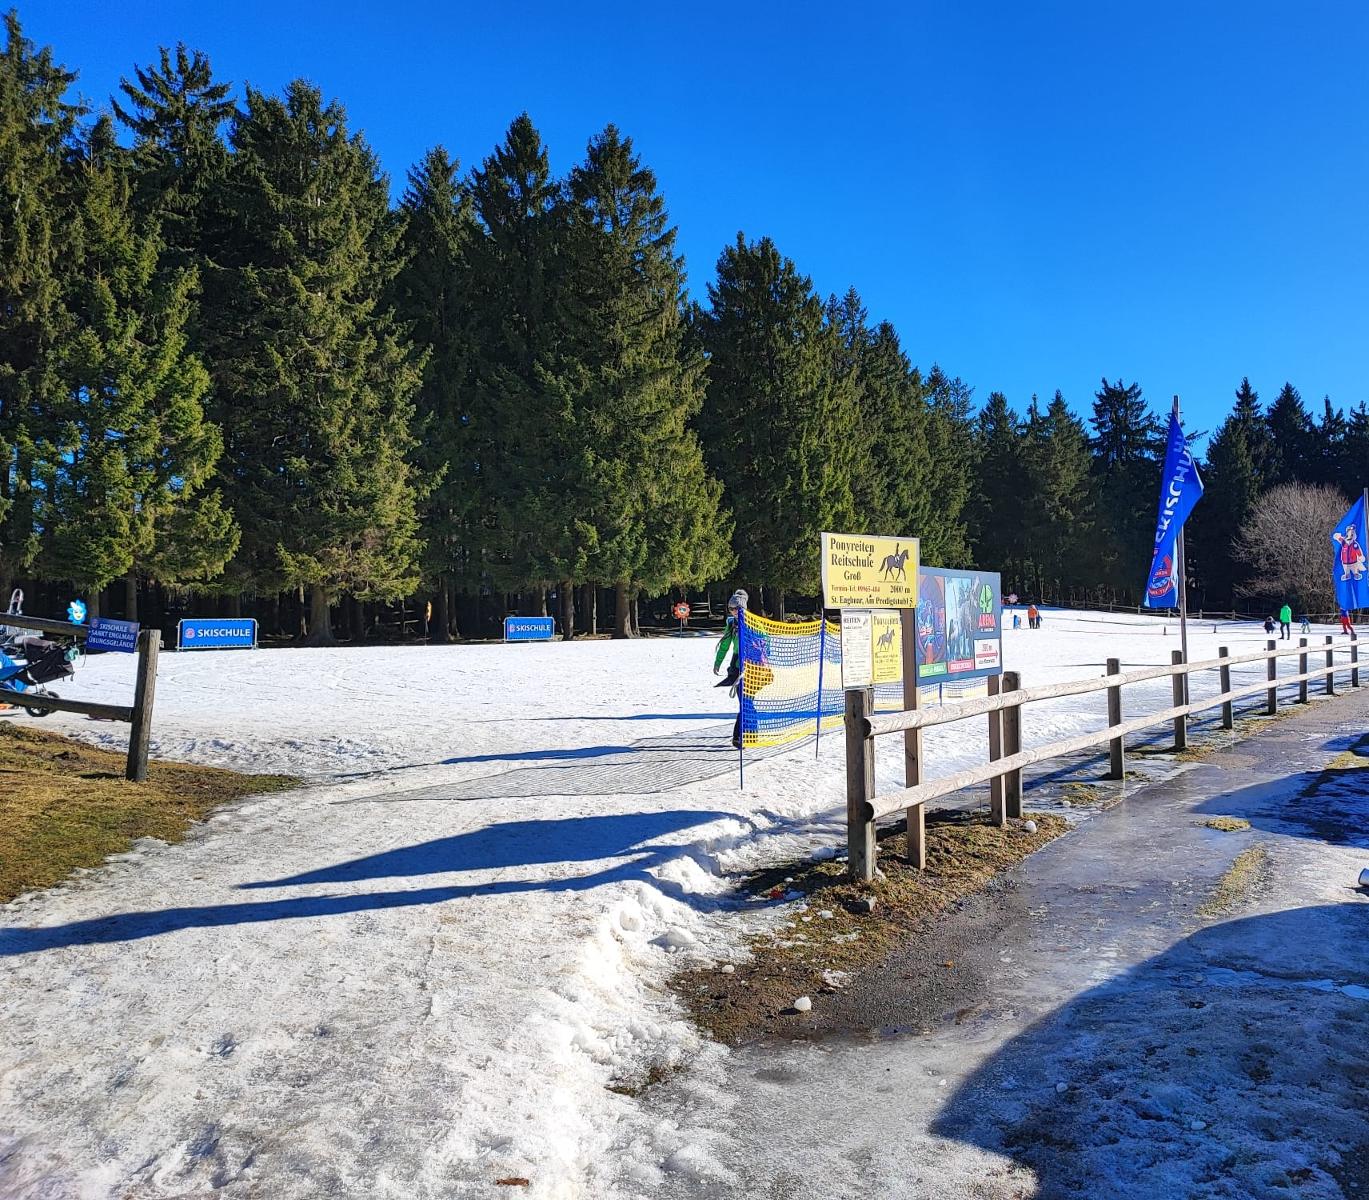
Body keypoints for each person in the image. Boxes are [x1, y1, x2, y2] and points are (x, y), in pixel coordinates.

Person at [713, 590, 748, 748]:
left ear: (742, 607)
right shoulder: (731, 624)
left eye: (735, 608)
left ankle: (745, 735)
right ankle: (740, 737)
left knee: (748, 703)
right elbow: (725, 645)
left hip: (752, 666)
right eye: (731, 608)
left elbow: (764, 642)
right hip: (737, 666)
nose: (733, 611)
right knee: (744, 703)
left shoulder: (753, 623)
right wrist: (718, 662)